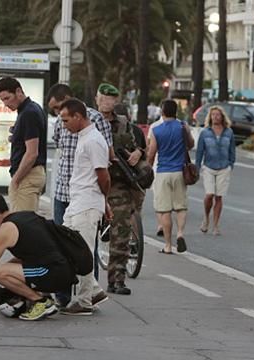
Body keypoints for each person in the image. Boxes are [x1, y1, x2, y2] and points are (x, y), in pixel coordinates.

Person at [0, 192, 75, 321]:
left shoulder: (6, 229)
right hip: (63, 269)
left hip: (53, 272)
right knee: (9, 266)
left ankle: (41, 302)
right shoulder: (24, 216)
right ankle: (41, 296)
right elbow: (33, 253)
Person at [57, 99, 111, 315]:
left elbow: (103, 176)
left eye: (66, 119)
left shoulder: (94, 141)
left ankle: (84, 300)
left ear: (78, 117)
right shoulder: (84, 137)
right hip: (78, 201)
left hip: (87, 203)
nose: (63, 124)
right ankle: (94, 290)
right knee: (69, 247)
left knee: (84, 252)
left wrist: (103, 200)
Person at [96, 83, 145, 295]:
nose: (107, 102)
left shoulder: (123, 123)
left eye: (111, 99)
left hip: (118, 184)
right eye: (104, 98)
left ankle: (117, 279)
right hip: (93, 182)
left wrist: (138, 153)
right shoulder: (89, 121)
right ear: (97, 99)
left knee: (122, 233)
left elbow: (135, 146)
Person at [46, 83, 113, 225]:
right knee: (61, 240)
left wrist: (104, 200)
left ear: (67, 98)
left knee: (83, 244)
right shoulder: (60, 121)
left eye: (58, 107)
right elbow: (59, 147)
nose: (58, 113)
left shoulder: (96, 120)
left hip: (86, 197)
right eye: (55, 110)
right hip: (63, 191)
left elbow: (105, 160)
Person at [146, 99, 195, 254]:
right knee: (180, 207)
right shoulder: (183, 126)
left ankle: (168, 245)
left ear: (162, 111)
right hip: (179, 171)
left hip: (162, 172)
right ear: (176, 112)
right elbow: (191, 144)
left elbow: (152, 153)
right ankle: (180, 233)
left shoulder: (157, 130)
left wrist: (147, 169)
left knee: (164, 210)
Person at [0, 77, 47, 212]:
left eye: (7, 98)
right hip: (31, 173)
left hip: (27, 175)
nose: (5, 104)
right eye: (2, 100)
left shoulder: (28, 113)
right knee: (23, 223)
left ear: (18, 91)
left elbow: (32, 153)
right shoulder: (31, 109)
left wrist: (16, 180)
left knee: (22, 225)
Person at [195, 106, 236, 236]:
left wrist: (230, 164)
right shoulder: (205, 132)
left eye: (218, 115)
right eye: (213, 115)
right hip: (208, 167)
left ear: (222, 117)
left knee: (219, 196)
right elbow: (200, 151)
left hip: (224, 167)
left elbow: (232, 150)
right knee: (209, 194)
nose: (215, 117)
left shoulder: (228, 132)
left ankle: (216, 224)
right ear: (210, 117)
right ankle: (206, 218)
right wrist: (197, 167)